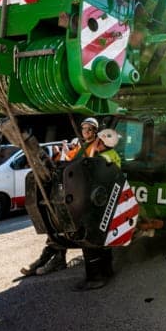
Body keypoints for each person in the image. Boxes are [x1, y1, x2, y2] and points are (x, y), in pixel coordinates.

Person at [21, 118, 123, 291]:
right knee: (94, 237)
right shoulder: (86, 148)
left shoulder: (102, 156)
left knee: (89, 237)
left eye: (90, 130)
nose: (87, 133)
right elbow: (71, 160)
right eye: (84, 129)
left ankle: (96, 277)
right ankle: (103, 270)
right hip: (87, 196)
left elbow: (88, 169)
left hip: (92, 199)